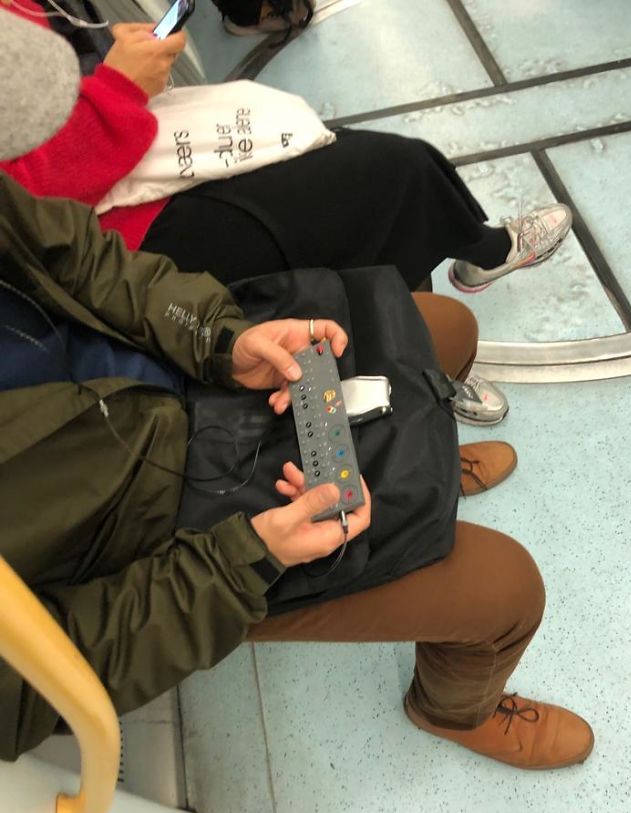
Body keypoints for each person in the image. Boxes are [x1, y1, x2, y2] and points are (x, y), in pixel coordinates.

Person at [0, 13, 593, 771]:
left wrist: (218, 335)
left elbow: (74, 254)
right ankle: (455, 708)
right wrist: (242, 562)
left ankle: (419, 452)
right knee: (506, 591)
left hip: (159, 373)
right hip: (155, 539)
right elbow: (37, 682)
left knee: (439, 328)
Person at [0, 0, 572, 427]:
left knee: (379, 175)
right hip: (99, 236)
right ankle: (425, 363)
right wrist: (118, 93)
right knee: (387, 182)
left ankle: (424, 355)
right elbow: (29, 209)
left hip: (118, 191)